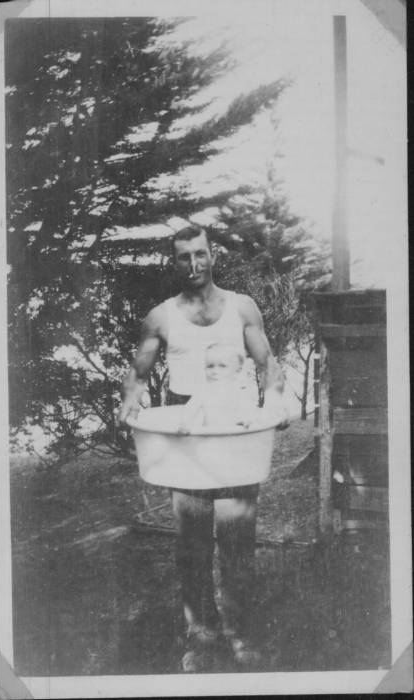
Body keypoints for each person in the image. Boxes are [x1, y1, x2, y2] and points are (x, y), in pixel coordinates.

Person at [118, 223, 288, 672]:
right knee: (192, 545)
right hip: (185, 429)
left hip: (233, 425)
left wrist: (272, 404)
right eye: (183, 257)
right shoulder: (160, 317)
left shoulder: (241, 307)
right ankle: (201, 634)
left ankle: (241, 633)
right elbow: (137, 376)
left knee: (237, 538)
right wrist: (129, 402)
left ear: (213, 254)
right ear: (172, 262)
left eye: (200, 254)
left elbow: (268, 365)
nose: (194, 264)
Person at [178, 341, 257, 432]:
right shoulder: (204, 391)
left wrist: (248, 420)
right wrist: (185, 424)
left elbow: (249, 410)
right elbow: (190, 409)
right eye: (210, 366)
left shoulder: (239, 391)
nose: (215, 371)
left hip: (234, 437)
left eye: (222, 366)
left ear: (237, 371)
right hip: (210, 437)